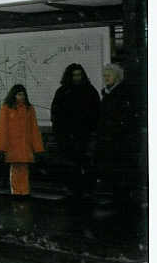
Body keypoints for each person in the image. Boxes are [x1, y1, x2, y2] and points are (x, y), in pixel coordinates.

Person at [50, 63, 100, 202]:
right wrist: (60, 133)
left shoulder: (90, 91)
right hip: (67, 136)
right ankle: (73, 190)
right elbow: (55, 114)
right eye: (74, 75)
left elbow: (96, 113)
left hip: (84, 135)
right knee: (71, 165)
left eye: (79, 75)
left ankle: (85, 191)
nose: (77, 78)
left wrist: (91, 131)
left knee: (85, 165)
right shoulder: (62, 92)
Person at [95, 63, 136, 211]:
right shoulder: (108, 93)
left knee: (120, 171)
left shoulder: (121, 93)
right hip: (109, 139)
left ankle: (122, 202)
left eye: (108, 75)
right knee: (113, 171)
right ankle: (118, 200)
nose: (105, 78)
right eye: (104, 75)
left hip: (119, 140)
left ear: (117, 77)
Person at [0, 84, 44, 197]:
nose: (21, 97)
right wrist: (2, 147)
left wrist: (37, 147)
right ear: (14, 95)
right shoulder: (9, 109)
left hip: (22, 145)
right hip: (15, 145)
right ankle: (18, 191)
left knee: (22, 169)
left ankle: (22, 191)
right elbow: (3, 129)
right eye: (19, 94)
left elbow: (34, 129)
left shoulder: (27, 109)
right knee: (18, 169)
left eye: (23, 95)